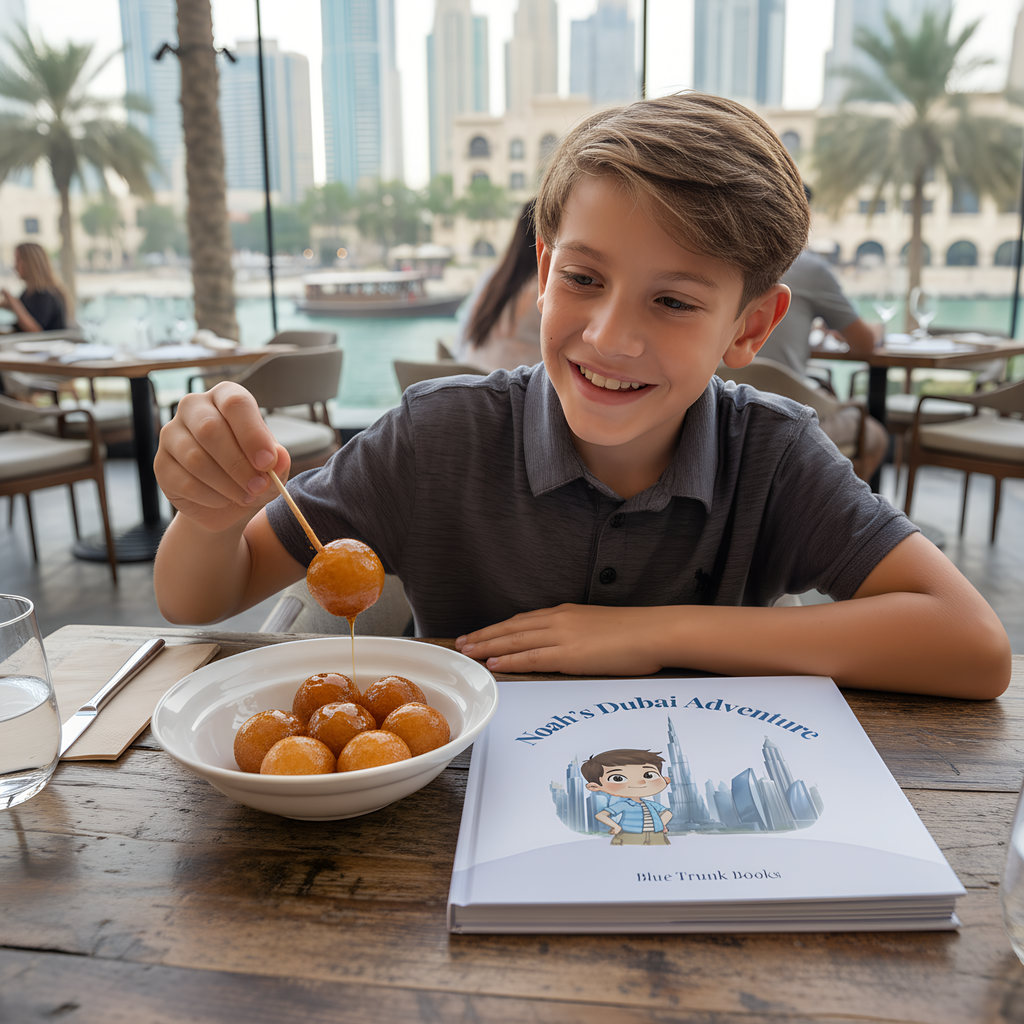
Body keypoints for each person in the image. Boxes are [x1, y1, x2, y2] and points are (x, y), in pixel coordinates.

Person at [152, 92, 1010, 700]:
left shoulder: (774, 453)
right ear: (542, 269)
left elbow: (973, 648)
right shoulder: (437, 435)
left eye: (673, 301)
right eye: (585, 278)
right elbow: (199, 599)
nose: (608, 337)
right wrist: (209, 511)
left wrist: (652, 633)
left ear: (750, 328)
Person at [756, 189, 888, 480]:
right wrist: (876, 330)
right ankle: (846, 519)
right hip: (781, 416)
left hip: (715, 412)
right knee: (874, 433)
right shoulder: (809, 268)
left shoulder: (718, 259)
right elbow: (865, 344)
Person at [453, 199, 542, 373]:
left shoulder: (492, 278)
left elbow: (461, 339)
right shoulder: (545, 289)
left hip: (469, 378)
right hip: (510, 391)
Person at [582, 749, 673, 845]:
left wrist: (660, 824)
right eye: (618, 778)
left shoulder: (650, 804)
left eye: (649, 775)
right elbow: (601, 815)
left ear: (665, 780)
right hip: (630, 836)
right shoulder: (624, 804)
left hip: (657, 836)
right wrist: (616, 827)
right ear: (594, 786)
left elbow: (667, 813)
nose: (640, 782)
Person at [0, 242, 68, 333]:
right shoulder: (29, 292)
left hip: (44, 345)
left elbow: (35, 329)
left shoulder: (45, 293)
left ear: (29, 263)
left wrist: (12, 300)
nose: (15, 266)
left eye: (17, 260)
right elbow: (25, 312)